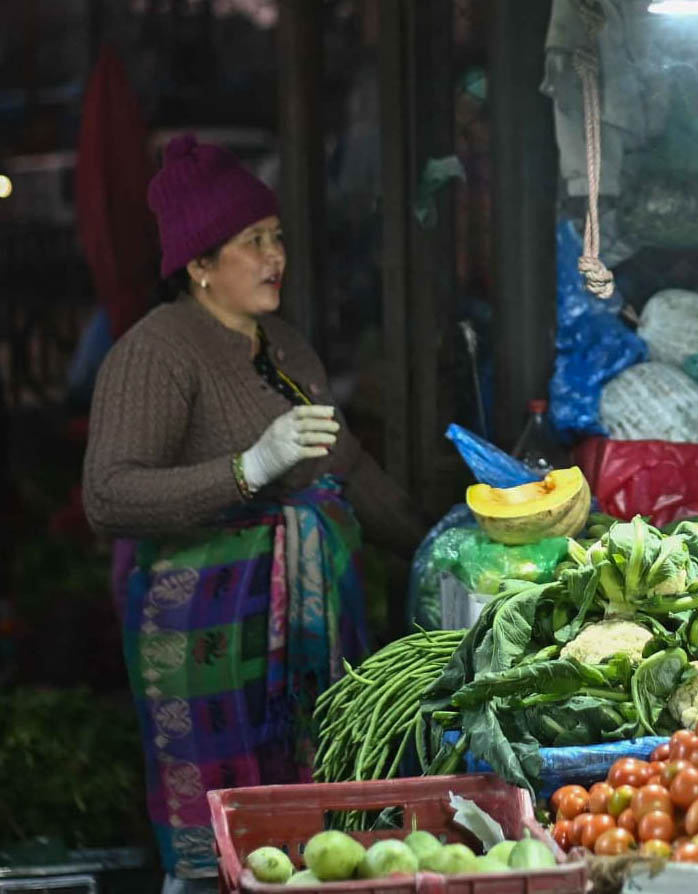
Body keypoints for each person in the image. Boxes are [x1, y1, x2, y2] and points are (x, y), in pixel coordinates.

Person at [82, 134, 430, 890]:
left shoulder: (288, 348)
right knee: (221, 841)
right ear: (200, 264)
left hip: (311, 632)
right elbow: (108, 496)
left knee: (320, 826)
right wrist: (249, 470)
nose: (275, 255)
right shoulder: (156, 353)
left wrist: (437, 543)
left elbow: (348, 468)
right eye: (251, 242)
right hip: (206, 635)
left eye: (275, 237)